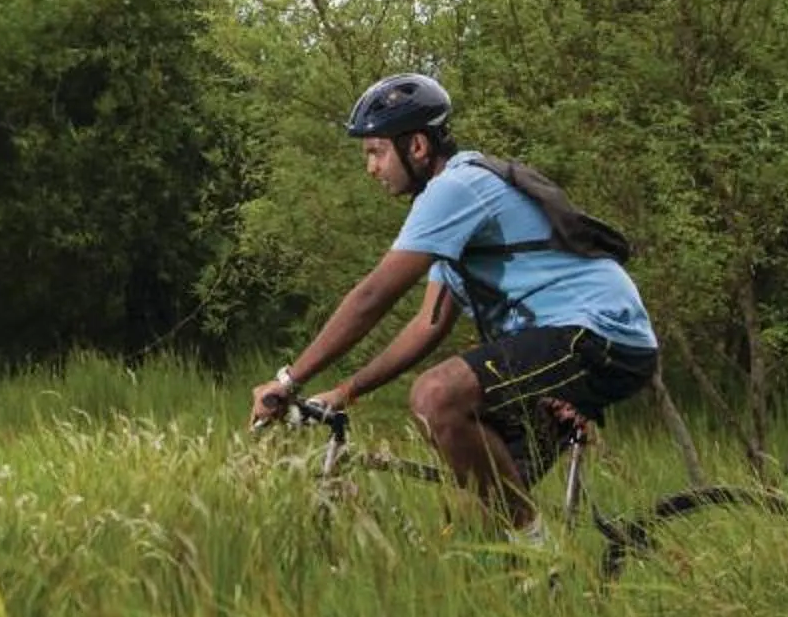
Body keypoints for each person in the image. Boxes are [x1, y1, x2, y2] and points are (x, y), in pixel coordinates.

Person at [248, 72, 660, 534]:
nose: (371, 168)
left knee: (435, 397)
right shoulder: (455, 215)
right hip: (579, 342)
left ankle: (537, 549)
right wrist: (347, 391)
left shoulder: (454, 189)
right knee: (472, 517)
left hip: (599, 335)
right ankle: (546, 590)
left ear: (418, 147)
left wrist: (290, 378)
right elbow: (429, 323)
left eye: (376, 151)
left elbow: (372, 296)